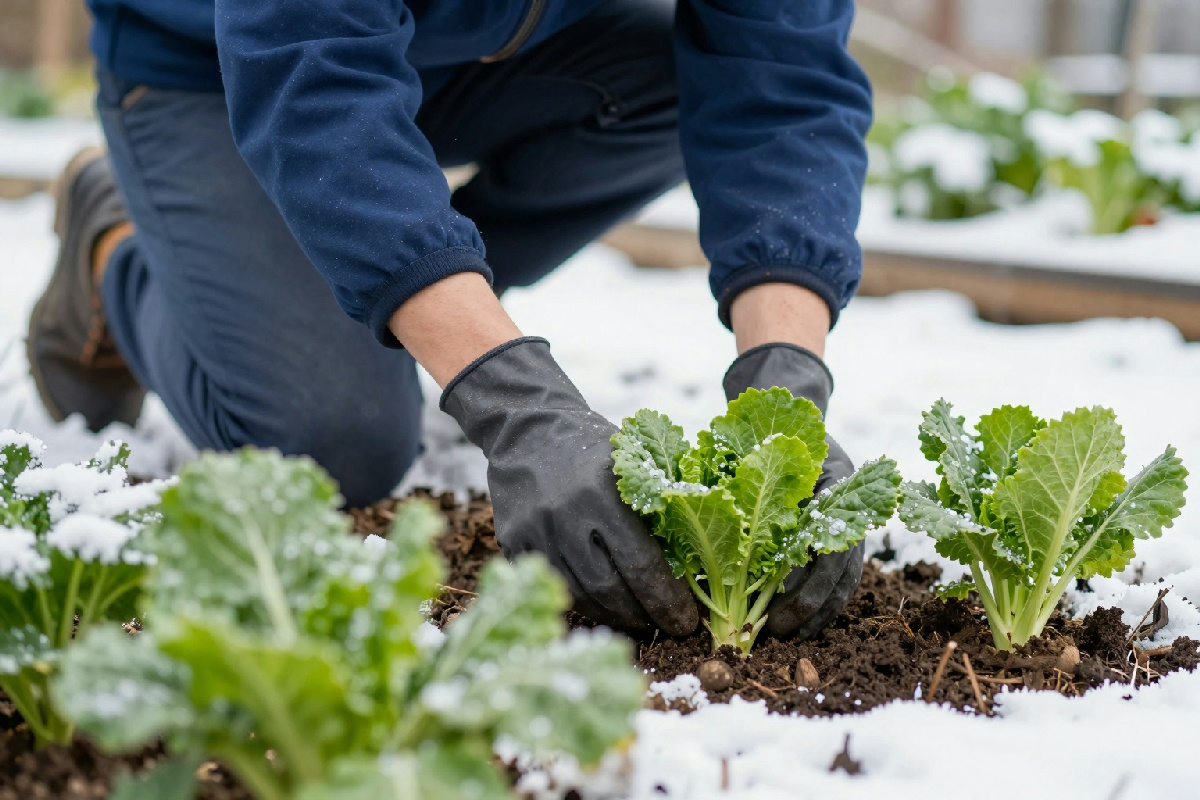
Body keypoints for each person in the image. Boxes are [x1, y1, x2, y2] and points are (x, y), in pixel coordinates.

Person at [27, 0, 873, 640]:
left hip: (475, 60)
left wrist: (787, 390)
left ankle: (382, 286)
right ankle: (114, 240)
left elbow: (783, 79)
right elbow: (311, 70)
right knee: (330, 440)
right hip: (219, 62)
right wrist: (517, 404)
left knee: (677, 76)